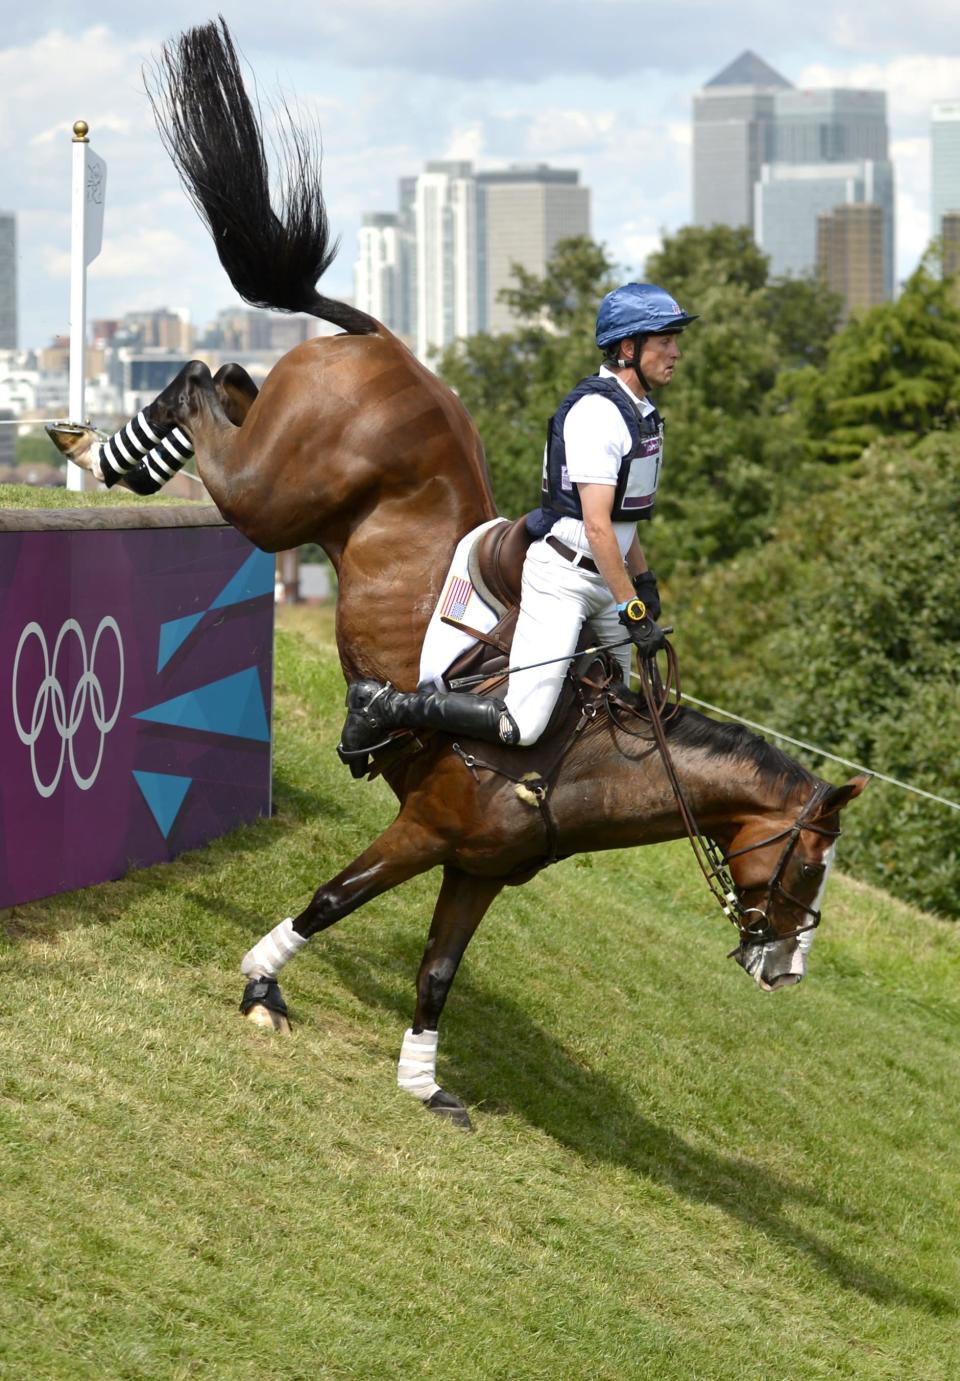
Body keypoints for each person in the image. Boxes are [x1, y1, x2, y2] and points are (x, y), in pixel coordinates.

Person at [340, 281, 698, 757]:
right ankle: (389, 705)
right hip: (566, 579)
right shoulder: (598, 414)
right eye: (665, 340)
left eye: (675, 340)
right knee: (523, 724)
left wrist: (644, 580)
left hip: (607, 578)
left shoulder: (640, 413)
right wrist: (630, 606)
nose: (675, 352)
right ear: (628, 348)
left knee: (617, 710)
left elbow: (622, 519)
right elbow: (595, 526)